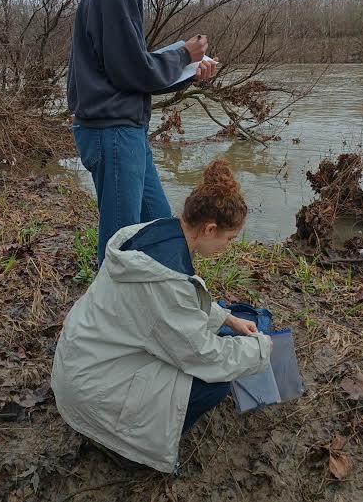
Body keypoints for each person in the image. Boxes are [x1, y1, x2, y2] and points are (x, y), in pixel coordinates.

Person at [52, 159, 272, 473]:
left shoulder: (153, 233)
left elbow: (169, 304)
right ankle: (130, 448)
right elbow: (203, 356)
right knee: (216, 382)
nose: (228, 246)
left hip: (82, 363)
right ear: (210, 229)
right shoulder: (166, 282)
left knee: (217, 343)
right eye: (229, 239)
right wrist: (261, 350)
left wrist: (227, 318)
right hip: (90, 394)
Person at [67, 0, 217, 266]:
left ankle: (175, 292)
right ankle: (110, 301)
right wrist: (183, 55)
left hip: (125, 131)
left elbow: (129, 69)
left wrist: (189, 71)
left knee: (160, 228)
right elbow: (133, 70)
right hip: (112, 131)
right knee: (120, 247)